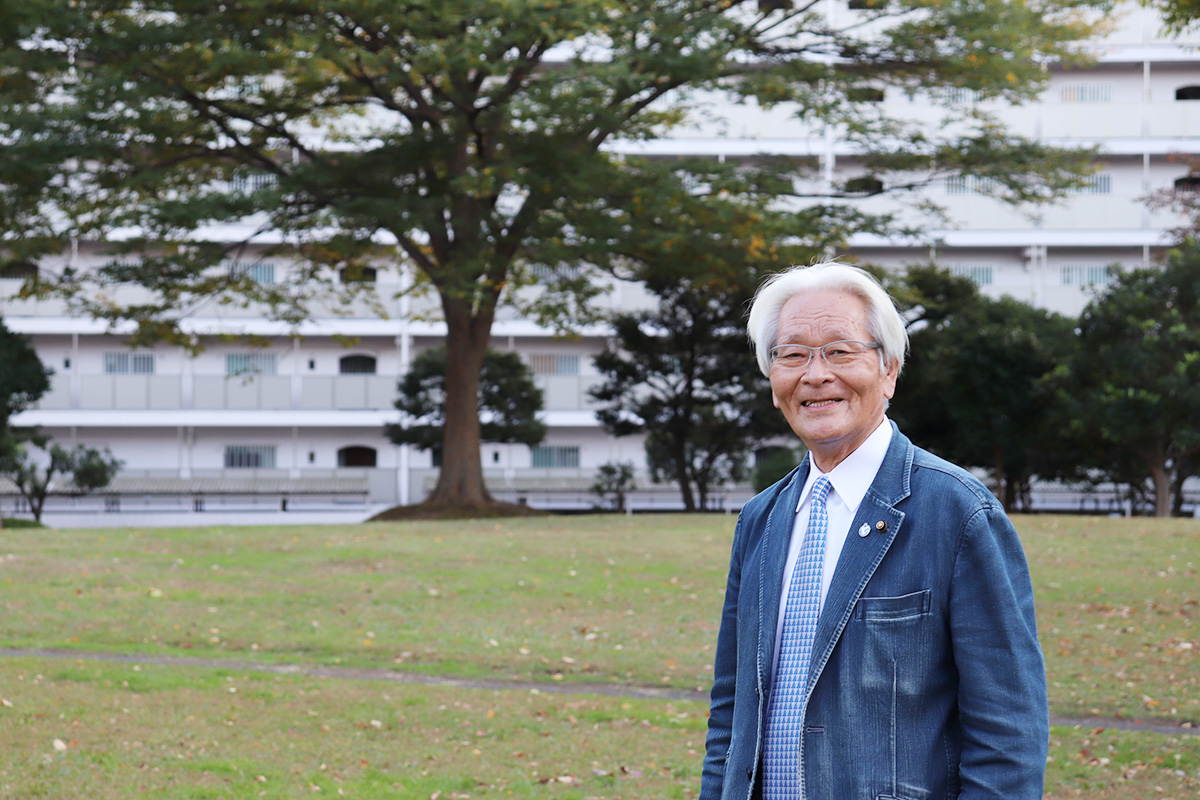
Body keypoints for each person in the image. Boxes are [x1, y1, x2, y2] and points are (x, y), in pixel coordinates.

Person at [700, 262, 1048, 800]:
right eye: (793, 355)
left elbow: (1008, 736)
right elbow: (731, 709)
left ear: (889, 370)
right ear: (774, 381)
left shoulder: (959, 515)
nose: (815, 375)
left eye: (840, 351)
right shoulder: (761, 520)